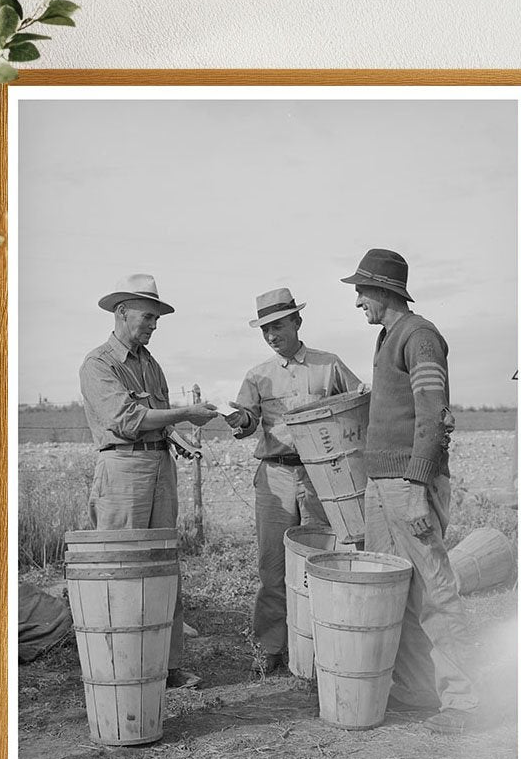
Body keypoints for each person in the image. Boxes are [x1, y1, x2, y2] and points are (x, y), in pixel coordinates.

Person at [341, 248, 479, 734]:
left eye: (361, 291)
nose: (357, 300)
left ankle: (461, 702)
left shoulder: (419, 337)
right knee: (395, 591)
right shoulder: (388, 337)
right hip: (382, 485)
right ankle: (419, 691)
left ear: (383, 291)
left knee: (436, 590)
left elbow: (433, 416)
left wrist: (419, 487)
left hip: (407, 484)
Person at [79, 273, 218, 689]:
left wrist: (177, 439)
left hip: (159, 470)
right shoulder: (99, 364)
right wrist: (184, 416)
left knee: (163, 567)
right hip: (122, 474)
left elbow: (156, 418)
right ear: (121, 313)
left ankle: (167, 666)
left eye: (157, 319)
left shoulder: (150, 364)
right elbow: (127, 420)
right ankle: (120, 666)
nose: (153, 325)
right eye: (148, 317)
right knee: (122, 569)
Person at [226, 287, 363, 675]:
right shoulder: (257, 376)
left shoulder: (329, 365)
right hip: (275, 476)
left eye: (278, 326)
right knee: (272, 565)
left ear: (297, 322)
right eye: (265, 330)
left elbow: (357, 404)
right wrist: (239, 420)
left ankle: (324, 643)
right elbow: (247, 423)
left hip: (324, 476)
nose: (272, 335)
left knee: (325, 558)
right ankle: (270, 648)